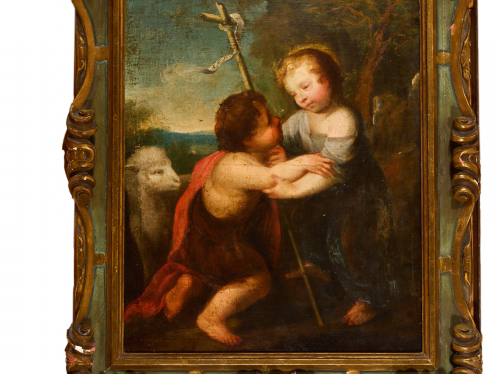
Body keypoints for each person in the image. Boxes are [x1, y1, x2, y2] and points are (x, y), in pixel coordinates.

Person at [124, 91, 335, 345]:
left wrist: (279, 158)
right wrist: (304, 162)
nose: (278, 119)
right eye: (268, 121)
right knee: (258, 281)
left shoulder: (252, 155)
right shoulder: (234, 166)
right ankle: (211, 317)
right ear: (248, 139)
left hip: (224, 233)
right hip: (216, 240)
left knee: (214, 272)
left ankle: (188, 283)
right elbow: (272, 178)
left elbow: (271, 168)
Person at [265, 48, 393, 325]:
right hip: (324, 190)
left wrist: (290, 190)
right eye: (293, 93)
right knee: (304, 218)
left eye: (306, 86)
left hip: (357, 189)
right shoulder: (298, 120)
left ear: (329, 79)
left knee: (350, 240)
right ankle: (318, 265)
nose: (300, 97)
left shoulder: (343, 118)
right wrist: (280, 153)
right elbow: (283, 146)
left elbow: (333, 172)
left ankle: (370, 299)